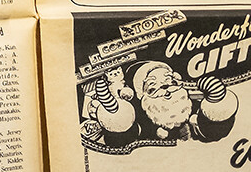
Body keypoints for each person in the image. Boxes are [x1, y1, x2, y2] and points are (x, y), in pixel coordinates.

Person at [82, 61, 238, 150]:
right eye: (152, 86)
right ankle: (113, 110)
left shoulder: (192, 110)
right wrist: (115, 115)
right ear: (143, 97)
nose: (166, 88)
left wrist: (217, 100)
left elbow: (216, 131)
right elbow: (123, 141)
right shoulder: (143, 122)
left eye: (169, 81)